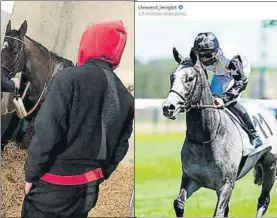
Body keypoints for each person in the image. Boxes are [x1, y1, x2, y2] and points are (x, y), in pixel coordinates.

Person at [21, 20, 134, 218]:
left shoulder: (69, 78)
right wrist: (98, 175)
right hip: (87, 193)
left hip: (52, 191)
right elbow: (120, 148)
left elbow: (47, 133)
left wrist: (30, 174)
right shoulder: (125, 97)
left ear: (89, 43)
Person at [191, 32, 262, 148]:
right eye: (200, 55)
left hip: (239, 71)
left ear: (216, 52)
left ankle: (254, 135)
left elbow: (241, 81)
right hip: (220, 72)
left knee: (229, 103)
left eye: (208, 54)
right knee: (211, 101)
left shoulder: (228, 57)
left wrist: (224, 98)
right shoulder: (196, 58)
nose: (203, 59)